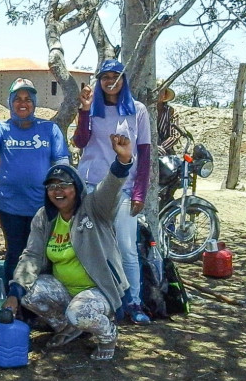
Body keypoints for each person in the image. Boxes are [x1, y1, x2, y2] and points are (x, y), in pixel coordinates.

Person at [2, 134, 134, 361]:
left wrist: (122, 162)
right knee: (28, 292)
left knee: (79, 312)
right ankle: (71, 326)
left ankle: (108, 334)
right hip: (65, 290)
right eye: (52, 186)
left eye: (64, 185)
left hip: (98, 290)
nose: (58, 190)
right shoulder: (45, 217)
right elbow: (31, 255)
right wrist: (14, 293)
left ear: (77, 187)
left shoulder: (94, 207)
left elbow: (110, 187)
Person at [73, 59, 152, 325]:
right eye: (105, 76)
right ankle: (103, 300)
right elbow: (80, 142)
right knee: (94, 247)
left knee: (127, 248)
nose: (110, 81)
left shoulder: (137, 110)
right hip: (92, 186)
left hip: (124, 188)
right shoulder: (91, 108)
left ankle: (133, 301)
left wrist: (140, 192)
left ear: (123, 80)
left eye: (115, 76)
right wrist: (84, 112)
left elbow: (144, 153)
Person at [0, 78, 70, 291]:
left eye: (28, 99)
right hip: (9, 205)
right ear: (10, 103)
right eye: (17, 98)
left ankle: (41, 301)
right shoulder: (2, 128)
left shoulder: (49, 129)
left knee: (43, 253)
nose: (23, 103)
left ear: (34, 103)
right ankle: (14, 302)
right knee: (15, 251)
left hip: (43, 206)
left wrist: (61, 194)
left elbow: (62, 163)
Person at [156, 82, 180, 156]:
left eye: (161, 92)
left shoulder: (171, 112)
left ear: (165, 95)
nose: (158, 94)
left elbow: (175, 136)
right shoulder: (143, 110)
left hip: (166, 152)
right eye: (156, 91)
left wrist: (161, 148)